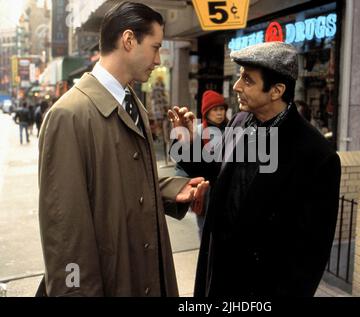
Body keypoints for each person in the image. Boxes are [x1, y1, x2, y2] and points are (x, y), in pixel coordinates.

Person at [37, 1, 208, 297]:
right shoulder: (68, 116)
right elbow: (66, 232)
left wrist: (171, 190)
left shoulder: (132, 103)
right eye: (155, 47)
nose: (158, 59)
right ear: (129, 40)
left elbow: (122, 181)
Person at [169, 41, 341, 296]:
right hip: (218, 274)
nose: (237, 87)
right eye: (240, 77)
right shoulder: (240, 121)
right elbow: (217, 169)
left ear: (276, 90)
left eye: (247, 80)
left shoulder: (317, 156)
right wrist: (185, 144)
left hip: (260, 287)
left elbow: (310, 255)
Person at [173, 90, 229, 239]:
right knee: (204, 229)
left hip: (225, 190)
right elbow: (183, 165)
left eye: (222, 109)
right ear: (206, 112)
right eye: (215, 109)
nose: (219, 113)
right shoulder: (197, 131)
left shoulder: (231, 131)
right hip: (204, 191)